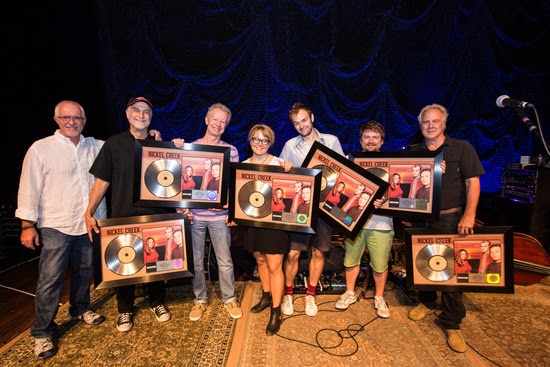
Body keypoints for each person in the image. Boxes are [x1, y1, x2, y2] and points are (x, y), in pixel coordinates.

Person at [15, 100, 106, 360]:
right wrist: (27, 225)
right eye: (66, 117)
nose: (72, 122)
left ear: (84, 120)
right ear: (56, 120)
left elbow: (128, 150)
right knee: (50, 279)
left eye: (77, 118)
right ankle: (42, 332)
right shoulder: (41, 149)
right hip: (56, 224)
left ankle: (79, 309)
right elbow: (28, 186)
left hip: (88, 223)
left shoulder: (96, 146)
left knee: (85, 271)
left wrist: (154, 138)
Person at [85, 96, 174, 333]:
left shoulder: (159, 145)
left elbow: (171, 181)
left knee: (154, 261)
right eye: (136, 110)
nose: (141, 115)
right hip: (123, 214)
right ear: (127, 114)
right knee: (124, 263)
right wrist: (89, 211)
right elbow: (102, 180)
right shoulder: (113, 144)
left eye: (146, 112)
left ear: (151, 117)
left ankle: (157, 302)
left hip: (155, 215)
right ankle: (125, 309)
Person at [406, 103, 485, 353]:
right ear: (420, 126)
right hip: (421, 219)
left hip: (451, 218)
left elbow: (473, 183)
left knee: (451, 270)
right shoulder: (413, 151)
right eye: (426, 122)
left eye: (435, 121)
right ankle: (427, 302)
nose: (430, 126)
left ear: (444, 124)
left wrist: (469, 215)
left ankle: (452, 322)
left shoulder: (462, 148)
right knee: (424, 263)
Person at [279, 102, 344, 317]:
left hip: (325, 209)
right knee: (294, 253)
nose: (301, 125)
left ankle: (310, 295)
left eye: (304, 120)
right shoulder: (289, 146)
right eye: (296, 123)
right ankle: (288, 294)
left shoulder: (332, 141)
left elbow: (343, 172)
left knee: (318, 252)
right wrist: (285, 169)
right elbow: (283, 177)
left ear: (312, 117)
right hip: (300, 208)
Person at [188, 103, 242, 322]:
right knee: (197, 261)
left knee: (225, 260)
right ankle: (200, 299)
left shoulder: (232, 151)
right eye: (215, 119)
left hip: (219, 218)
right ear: (206, 120)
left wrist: (229, 205)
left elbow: (233, 184)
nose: (218, 124)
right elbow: (182, 185)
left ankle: (229, 298)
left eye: (223, 122)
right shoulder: (191, 147)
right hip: (195, 217)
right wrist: (182, 208)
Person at [335, 121, 393, 319]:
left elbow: (398, 193)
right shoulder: (350, 160)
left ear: (382, 141)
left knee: (379, 264)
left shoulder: (393, 163)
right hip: (353, 221)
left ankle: (379, 297)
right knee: (351, 260)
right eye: (366, 137)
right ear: (360, 140)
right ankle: (349, 292)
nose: (370, 141)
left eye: (375, 137)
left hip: (382, 223)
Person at [242, 124, 293, 335]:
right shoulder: (243, 165)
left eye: (264, 140)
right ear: (250, 141)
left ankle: (276, 311)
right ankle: (266, 295)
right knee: (260, 260)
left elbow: (291, 190)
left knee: (274, 266)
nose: (259, 144)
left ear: (270, 143)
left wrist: (290, 170)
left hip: (274, 224)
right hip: (253, 222)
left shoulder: (280, 164)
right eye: (256, 139)